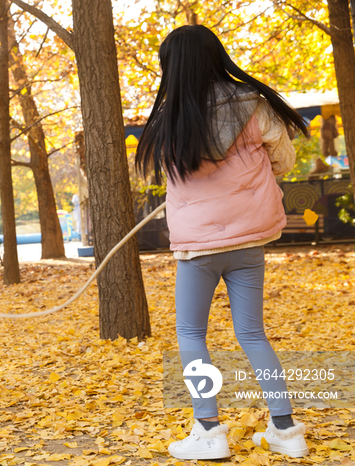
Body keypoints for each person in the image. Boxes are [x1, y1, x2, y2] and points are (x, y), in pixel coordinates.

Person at [136, 26, 310, 460]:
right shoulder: (254, 104)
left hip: (198, 250)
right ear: (217, 56)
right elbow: (283, 159)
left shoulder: (168, 119)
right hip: (250, 241)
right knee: (253, 333)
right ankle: (286, 431)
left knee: (191, 334)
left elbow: (155, 174)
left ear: (171, 68)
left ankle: (208, 431)